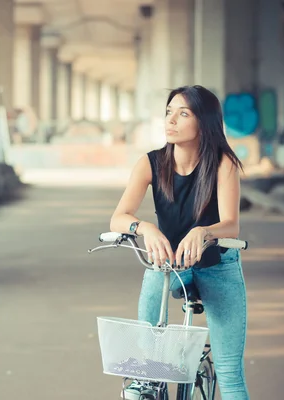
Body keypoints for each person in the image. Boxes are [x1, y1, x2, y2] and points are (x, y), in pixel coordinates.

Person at [109, 85, 250, 400]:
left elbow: (232, 224)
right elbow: (119, 217)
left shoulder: (223, 163)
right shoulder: (151, 163)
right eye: (168, 112)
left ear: (204, 122)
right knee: (155, 272)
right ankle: (147, 372)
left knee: (229, 373)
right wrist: (144, 227)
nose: (170, 121)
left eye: (182, 113)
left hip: (219, 265)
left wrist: (205, 232)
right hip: (172, 264)